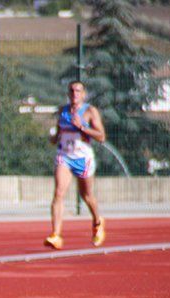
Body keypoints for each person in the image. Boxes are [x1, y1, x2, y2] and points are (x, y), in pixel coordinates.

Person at [45, 80, 107, 250]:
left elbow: (101, 137)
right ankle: (56, 235)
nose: (75, 94)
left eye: (78, 91)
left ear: (84, 94)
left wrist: (83, 128)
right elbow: (58, 134)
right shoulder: (62, 111)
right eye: (72, 91)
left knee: (86, 196)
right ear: (68, 93)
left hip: (83, 158)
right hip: (64, 156)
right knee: (58, 193)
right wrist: (53, 138)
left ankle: (97, 222)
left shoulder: (89, 111)